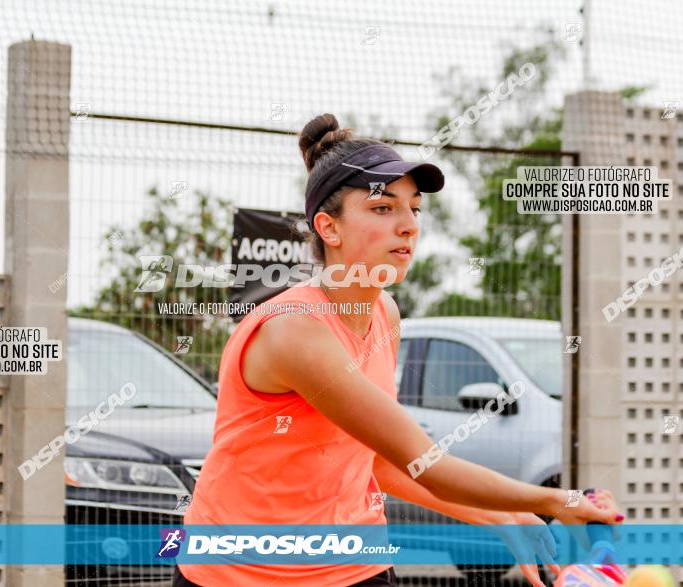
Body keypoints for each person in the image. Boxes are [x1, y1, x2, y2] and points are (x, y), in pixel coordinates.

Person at [174, 113, 623, 587]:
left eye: (415, 208)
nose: (409, 226)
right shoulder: (295, 331)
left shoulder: (384, 311)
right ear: (329, 227)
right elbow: (424, 461)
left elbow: (382, 461)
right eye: (383, 208)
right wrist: (554, 500)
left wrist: (501, 516)